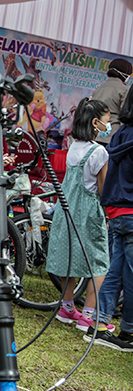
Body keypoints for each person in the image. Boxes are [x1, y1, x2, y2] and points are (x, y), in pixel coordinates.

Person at [45, 98, 131, 348]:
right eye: (106, 121)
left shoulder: (74, 146)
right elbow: (103, 189)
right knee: (99, 264)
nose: (108, 125)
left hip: (66, 208)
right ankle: (90, 315)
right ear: (95, 123)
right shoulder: (98, 152)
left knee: (69, 257)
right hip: (88, 212)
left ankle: (67, 307)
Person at [94, 88, 133, 349]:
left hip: (117, 212)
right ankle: (127, 331)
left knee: (115, 270)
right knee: (128, 275)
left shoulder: (120, 133)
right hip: (130, 211)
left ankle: (98, 324)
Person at [90, 58, 132, 145]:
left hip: (94, 135)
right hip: (112, 137)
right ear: (125, 73)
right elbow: (125, 115)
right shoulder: (125, 90)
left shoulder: (100, 88)